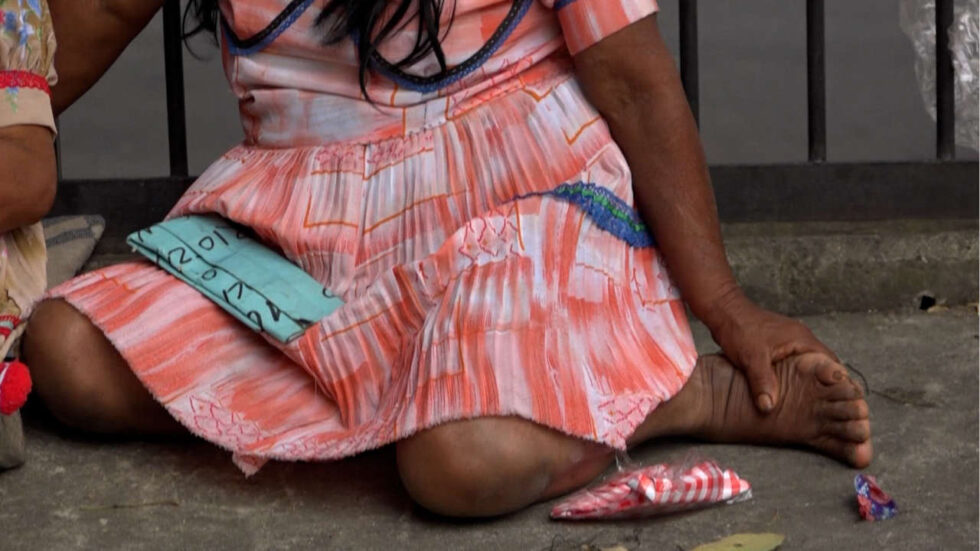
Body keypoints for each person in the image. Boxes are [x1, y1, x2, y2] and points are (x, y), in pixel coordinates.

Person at [24, 0, 872, 517]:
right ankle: (393, 410)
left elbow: (636, 85)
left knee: (462, 463)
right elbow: (75, 35)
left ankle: (681, 392)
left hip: (512, 207)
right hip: (302, 234)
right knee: (68, 352)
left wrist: (726, 306)